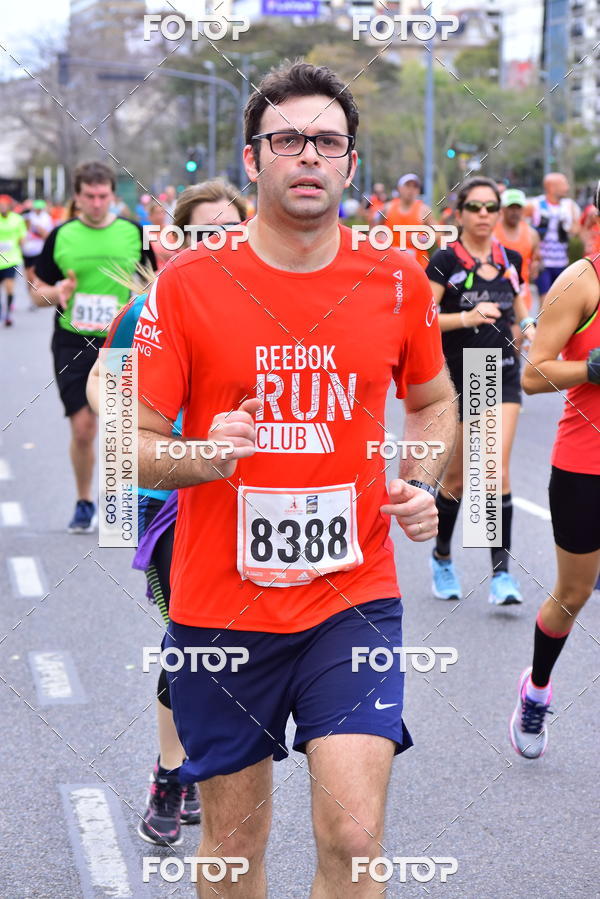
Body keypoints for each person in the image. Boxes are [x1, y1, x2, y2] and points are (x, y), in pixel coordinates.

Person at [134, 61, 456, 897]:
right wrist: (207, 452)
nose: (308, 155)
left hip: (350, 600)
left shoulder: (397, 281)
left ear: (351, 163)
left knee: (353, 833)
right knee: (237, 846)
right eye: (288, 140)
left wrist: (421, 480)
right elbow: (128, 446)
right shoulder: (188, 286)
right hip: (219, 609)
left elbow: (434, 401)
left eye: (327, 141)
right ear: (253, 160)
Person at [86, 179, 247, 846]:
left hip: (247, 503)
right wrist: (136, 433)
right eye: (207, 233)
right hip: (168, 501)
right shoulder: (152, 307)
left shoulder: (270, 306)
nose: (221, 245)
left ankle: (197, 764)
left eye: (232, 232)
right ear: (177, 242)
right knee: (192, 633)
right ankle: (171, 772)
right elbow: (104, 378)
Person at [510, 182, 600, 758]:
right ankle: (536, 690)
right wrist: (589, 368)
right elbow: (533, 374)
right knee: (573, 592)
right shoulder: (581, 281)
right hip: (584, 467)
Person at [426, 177, 535, 605]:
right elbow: (423, 320)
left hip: (500, 372)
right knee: (455, 479)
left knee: (492, 468)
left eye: (491, 207)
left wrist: (531, 329)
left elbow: (522, 310)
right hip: (456, 374)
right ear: (460, 213)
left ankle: (501, 576)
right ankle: (442, 556)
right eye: (476, 207)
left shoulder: (510, 259)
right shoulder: (445, 261)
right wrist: (467, 319)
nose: (485, 215)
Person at [32, 161, 155, 533]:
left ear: (113, 196)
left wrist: (140, 301)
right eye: (90, 196)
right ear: (78, 197)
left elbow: (156, 284)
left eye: (104, 196)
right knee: (83, 427)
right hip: (71, 340)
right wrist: (56, 293)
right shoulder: (61, 235)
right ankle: (85, 500)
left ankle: (116, 504)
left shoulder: (135, 233)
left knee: (117, 426)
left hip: (119, 340)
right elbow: (37, 294)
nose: (98, 203)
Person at [529, 172, 580, 303]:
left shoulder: (569, 205)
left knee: (562, 302)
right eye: (564, 184)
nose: (567, 187)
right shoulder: (535, 204)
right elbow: (522, 227)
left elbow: (576, 231)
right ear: (551, 187)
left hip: (562, 262)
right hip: (543, 264)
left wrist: (571, 221)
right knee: (545, 302)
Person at [494, 188, 540, 313]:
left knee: (520, 330)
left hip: (522, 296)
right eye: (511, 207)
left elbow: (536, 260)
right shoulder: (491, 232)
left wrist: (535, 266)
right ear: (502, 209)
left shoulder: (532, 234)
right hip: (495, 295)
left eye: (518, 208)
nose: (515, 212)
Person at [377, 174, 434, 269]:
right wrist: (380, 239)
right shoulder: (387, 208)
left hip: (418, 266)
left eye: (415, 186)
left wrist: (424, 239)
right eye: (407, 186)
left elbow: (438, 232)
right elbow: (375, 230)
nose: (411, 190)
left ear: (418, 190)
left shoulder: (424, 210)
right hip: (391, 265)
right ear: (399, 188)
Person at [0, 194, 27, 327]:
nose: (3, 207)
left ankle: (8, 314)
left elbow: (22, 237)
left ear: (9, 206)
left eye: (5, 205)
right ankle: (1, 311)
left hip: (11, 259)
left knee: (9, 287)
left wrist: (21, 247)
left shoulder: (17, 219)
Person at [22, 199, 54, 306]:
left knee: (32, 274)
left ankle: (34, 297)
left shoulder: (46, 218)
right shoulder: (28, 217)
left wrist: (38, 229)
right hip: (27, 250)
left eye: (40, 208)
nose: (38, 210)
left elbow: (47, 235)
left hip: (39, 250)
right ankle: (31, 296)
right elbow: (22, 231)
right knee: (28, 276)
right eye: (37, 208)